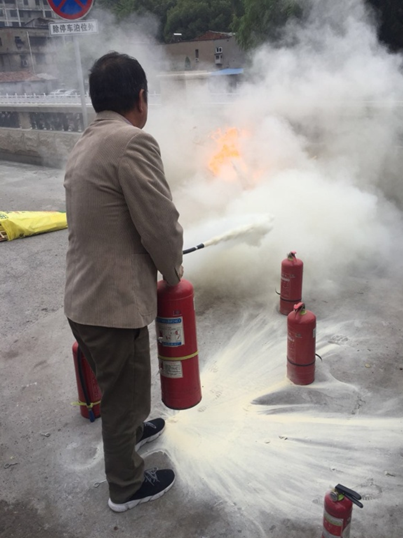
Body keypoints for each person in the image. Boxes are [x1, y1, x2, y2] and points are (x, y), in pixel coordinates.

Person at [64, 52, 183, 513]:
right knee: (121, 396)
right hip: (112, 307)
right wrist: (172, 272)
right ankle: (126, 486)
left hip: (83, 300)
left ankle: (133, 430)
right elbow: (160, 224)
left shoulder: (85, 142)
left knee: (126, 387)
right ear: (141, 97)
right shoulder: (133, 142)